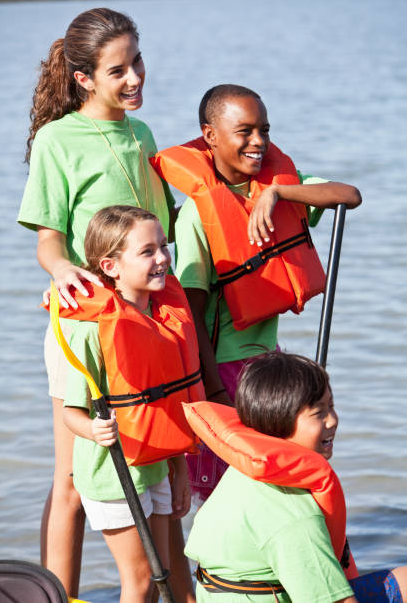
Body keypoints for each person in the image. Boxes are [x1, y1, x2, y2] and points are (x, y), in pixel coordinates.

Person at [17, 8, 192, 600]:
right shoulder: (55, 138)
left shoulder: (141, 135)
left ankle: (173, 592)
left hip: (147, 322)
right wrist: (63, 268)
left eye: (137, 62)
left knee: (158, 458)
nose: (135, 77)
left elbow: (160, 230)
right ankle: (57, 594)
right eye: (118, 70)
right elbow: (48, 238)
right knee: (72, 476)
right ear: (85, 78)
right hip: (87, 320)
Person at [151, 83, 362, 502]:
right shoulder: (197, 213)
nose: (258, 142)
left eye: (264, 130)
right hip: (226, 373)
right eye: (244, 131)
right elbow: (191, 315)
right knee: (237, 492)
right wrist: (214, 394)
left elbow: (349, 195)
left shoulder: (279, 187)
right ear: (210, 136)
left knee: (282, 482)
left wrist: (277, 192)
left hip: (267, 366)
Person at [53, 205, 205, 603]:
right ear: (111, 266)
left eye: (164, 247)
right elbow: (72, 411)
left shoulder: (162, 318)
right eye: (148, 251)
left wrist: (179, 470)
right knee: (140, 580)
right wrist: (93, 429)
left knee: (161, 574)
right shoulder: (94, 329)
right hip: (111, 475)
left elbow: (167, 405)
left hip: (153, 468)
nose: (163, 259)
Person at [185, 352, 407, 602]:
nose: (333, 420)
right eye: (318, 413)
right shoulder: (294, 515)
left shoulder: (246, 469)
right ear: (279, 421)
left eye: (331, 406)